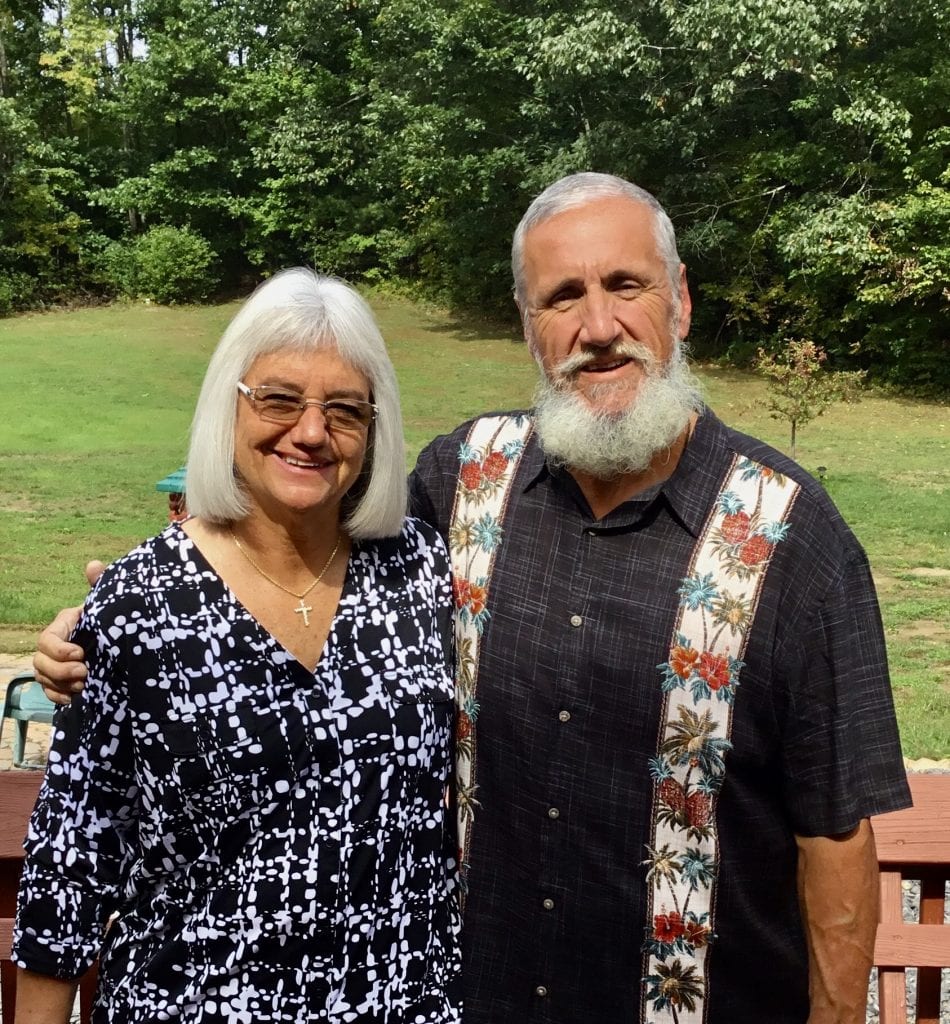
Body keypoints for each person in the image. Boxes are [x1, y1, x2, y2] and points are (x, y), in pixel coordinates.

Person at [34, 173, 910, 1024]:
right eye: (561, 297)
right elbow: (298, 526)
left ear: (679, 299)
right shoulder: (465, 482)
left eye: (625, 286)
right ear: (530, 329)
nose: (598, 326)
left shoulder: (793, 535)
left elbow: (836, 833)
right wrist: (113, 620)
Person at [16, 269, 461, 1023]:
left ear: (374, 428)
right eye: (280, 399)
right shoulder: (138, 602)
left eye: (344, 410)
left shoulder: (421, 569)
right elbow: (71, 857)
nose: (311, 431)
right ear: (229, 404)